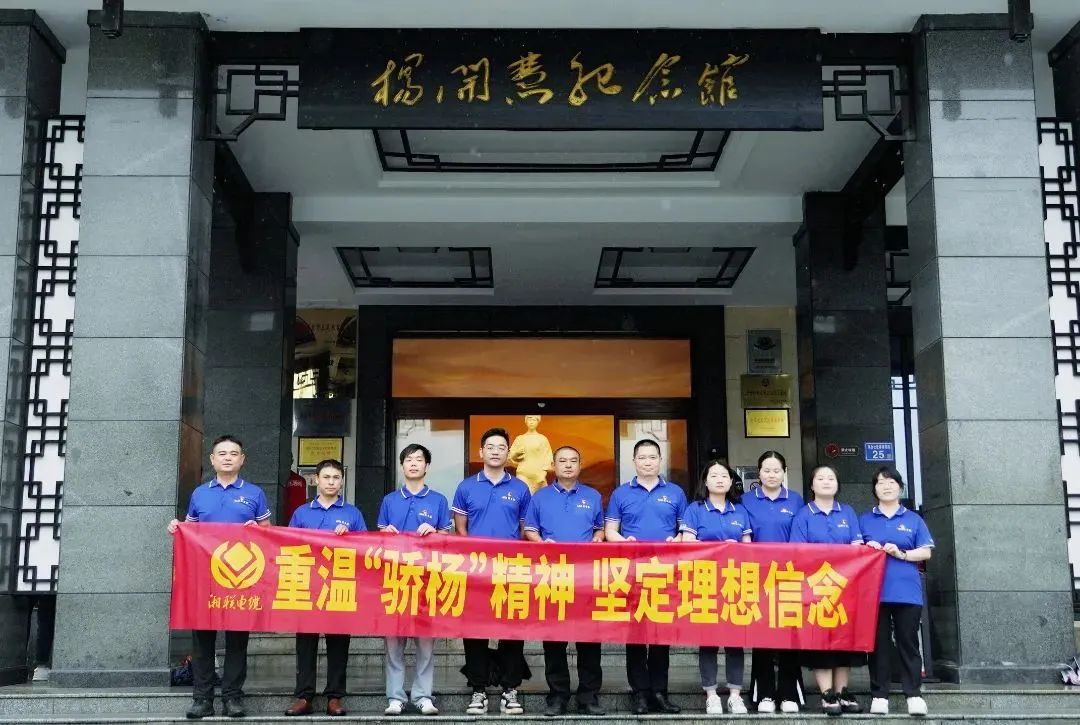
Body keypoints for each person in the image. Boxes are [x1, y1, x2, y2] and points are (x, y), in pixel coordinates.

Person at [167, 435, 271, 720]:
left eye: (233, 453)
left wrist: (258, 530)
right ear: (212, 460)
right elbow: (190, 530)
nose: (227, 457)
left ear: (242, 459)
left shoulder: (254, 493)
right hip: (205, 579)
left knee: (237, 640)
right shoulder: (200, 494)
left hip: (241, 579)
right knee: (202, 641)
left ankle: (233, 698)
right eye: (222, 453)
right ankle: (202, 699)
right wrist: (177, 527)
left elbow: (269, 532)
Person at [452, 427, 532, 715]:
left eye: (501, 447)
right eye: (491, 447)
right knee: (474, 631)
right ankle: (478, 689)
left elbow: (524, 530)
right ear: (481, 452)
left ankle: (511, 689)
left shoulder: (520, 488)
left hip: (511, 570)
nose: (496, 451)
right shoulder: (466, 487)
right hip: (476, 571)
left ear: (508, 453)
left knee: (512, 629)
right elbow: (460, 529)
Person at [604, 439, 686, 715]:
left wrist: (676, 540)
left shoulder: (675, 492)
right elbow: (610, 531)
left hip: (665, 572)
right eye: (642, 457)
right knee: (636, 635)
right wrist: (623, 541)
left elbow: (685, 531)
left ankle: (660, 692)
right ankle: (639, 692)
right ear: (634, 461)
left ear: (660, 460)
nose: (648, 462)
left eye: (652, 457)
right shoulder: (621, 493)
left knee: (662, 635)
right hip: (632, 572)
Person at [523, 445, 606, 717]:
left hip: (586, 577)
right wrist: (541, 543)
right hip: (552, 576)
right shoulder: (540, 497)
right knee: (554, 640)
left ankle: (588, 697)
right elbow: (530, 530)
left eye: (573, 461)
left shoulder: (592, 496)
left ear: (580, 465)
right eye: (562, 461)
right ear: (553, 465)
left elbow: (600, 529)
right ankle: (558, 696)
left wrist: (597, 539)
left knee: (590, 640)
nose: (568, 465)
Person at [282, 459, 365, 717]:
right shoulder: (301, 513)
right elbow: (289, 546)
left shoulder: (353, 513)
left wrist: (350, 537)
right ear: (316, 479)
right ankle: (304, 696)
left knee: (338, 644)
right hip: (308, 586)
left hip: (339, 585)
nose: (331, 482)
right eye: (326, 477)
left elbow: (366, 550)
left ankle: (335, 697)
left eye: (336, 477)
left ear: (342, 481)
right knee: (305, 644)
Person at [378, 444, 452, 716]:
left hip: (427, 580)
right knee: (393, 643)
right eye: (408, 459)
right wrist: (386, 533)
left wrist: (435, 532)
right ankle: (395, 697)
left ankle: (423, 696)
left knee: (425, 643)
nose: (413, 463)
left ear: (426, 466)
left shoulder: (439, 500)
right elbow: (378, 538)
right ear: (402, 466)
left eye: (419, 460)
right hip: (395, 579)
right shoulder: (389, 500)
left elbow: (447, 539)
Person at [789, 465, 864, 716]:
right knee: (820, 641)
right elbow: (798, 552)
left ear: (837, 484)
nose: (826, 482)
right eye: (820, 478)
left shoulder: (848, 512)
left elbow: (857, 547)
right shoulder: (803, 515)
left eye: (831, 478)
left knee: (844, 641)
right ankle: (826, 693)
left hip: (845, 588)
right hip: (816, 589)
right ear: (811, 485)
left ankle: (842, 692)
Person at [859, 467, 934, 717]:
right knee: (877, 645)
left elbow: (926, 552)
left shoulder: (913, 519)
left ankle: (913, 694)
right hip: (874, 593)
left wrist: (901, 554)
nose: (886, 486)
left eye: (891, 482)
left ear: (900, 488)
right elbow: (853, 549)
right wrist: (866, 548)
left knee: (908, 643)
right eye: (881, 483)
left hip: (906, 592)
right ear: (874, 489)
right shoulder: (864, 519)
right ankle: (879, 695)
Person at [679, 460, 751, 716]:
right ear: (705, 481)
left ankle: (735, 695)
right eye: (714, 475)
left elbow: (749, 546)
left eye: (724, 476)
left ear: (731, 482)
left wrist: (736, 548)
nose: (719, 479)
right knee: (708, 641)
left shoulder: (740, 511)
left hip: (735, 583)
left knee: (735, 642)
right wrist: (719, 548)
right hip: (705, 582)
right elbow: (687, 544)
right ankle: (711, 695)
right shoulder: (695, 509)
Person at [740, 450, 804, 714]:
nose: (771, 475)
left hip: (789, 576)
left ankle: (789, 693)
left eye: (777, 470)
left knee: (789, 635)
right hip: (757, 576)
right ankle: (764, 692)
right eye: (766, 470)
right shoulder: (746, 500)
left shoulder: (796, 500)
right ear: (759, 473)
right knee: (762, 634)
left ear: (784, 473)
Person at [508, 414, 554, 494]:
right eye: (529, 419)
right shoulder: (520, 439)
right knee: (522, 494)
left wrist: (542, 474)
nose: (531, 422)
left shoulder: (542, 439)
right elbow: (510, 456)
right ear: (526, 421)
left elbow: (548, 458)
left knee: (540, 497)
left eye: (534, 420)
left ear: (538, 422)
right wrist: (515, 454)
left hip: (538, 475)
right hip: (523, 473)